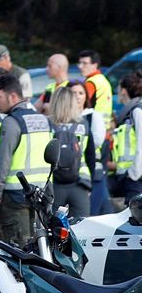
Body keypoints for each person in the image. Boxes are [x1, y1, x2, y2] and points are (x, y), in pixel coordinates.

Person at [0, 73, 54, 246]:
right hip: (41, 193)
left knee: (17, 247)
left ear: (12, 96)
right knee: (40, 246)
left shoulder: (11, 122)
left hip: (15, 195)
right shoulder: (44, 120)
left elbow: (3, 160)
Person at [45, 85, 99, 219]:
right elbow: (90, 156)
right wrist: (89, 182)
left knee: (53, 229)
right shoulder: (83, 125)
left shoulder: (47, 125)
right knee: (81, 229)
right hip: (80, 183)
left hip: (54, 184)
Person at [108, 72, 142, 203]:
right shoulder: (128, 113)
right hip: (126, 175)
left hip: (135, 178)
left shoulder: (137, 111)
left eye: (118, 88)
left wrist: (134, 174)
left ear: (123, 90)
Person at [78, 50, 114, 139]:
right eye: (79, 63)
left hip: (94, 130)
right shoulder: (103, 80)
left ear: (95, 65)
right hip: (105, 131)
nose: (80, 66)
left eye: (84, 63)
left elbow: (79, 105)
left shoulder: (91, 82)